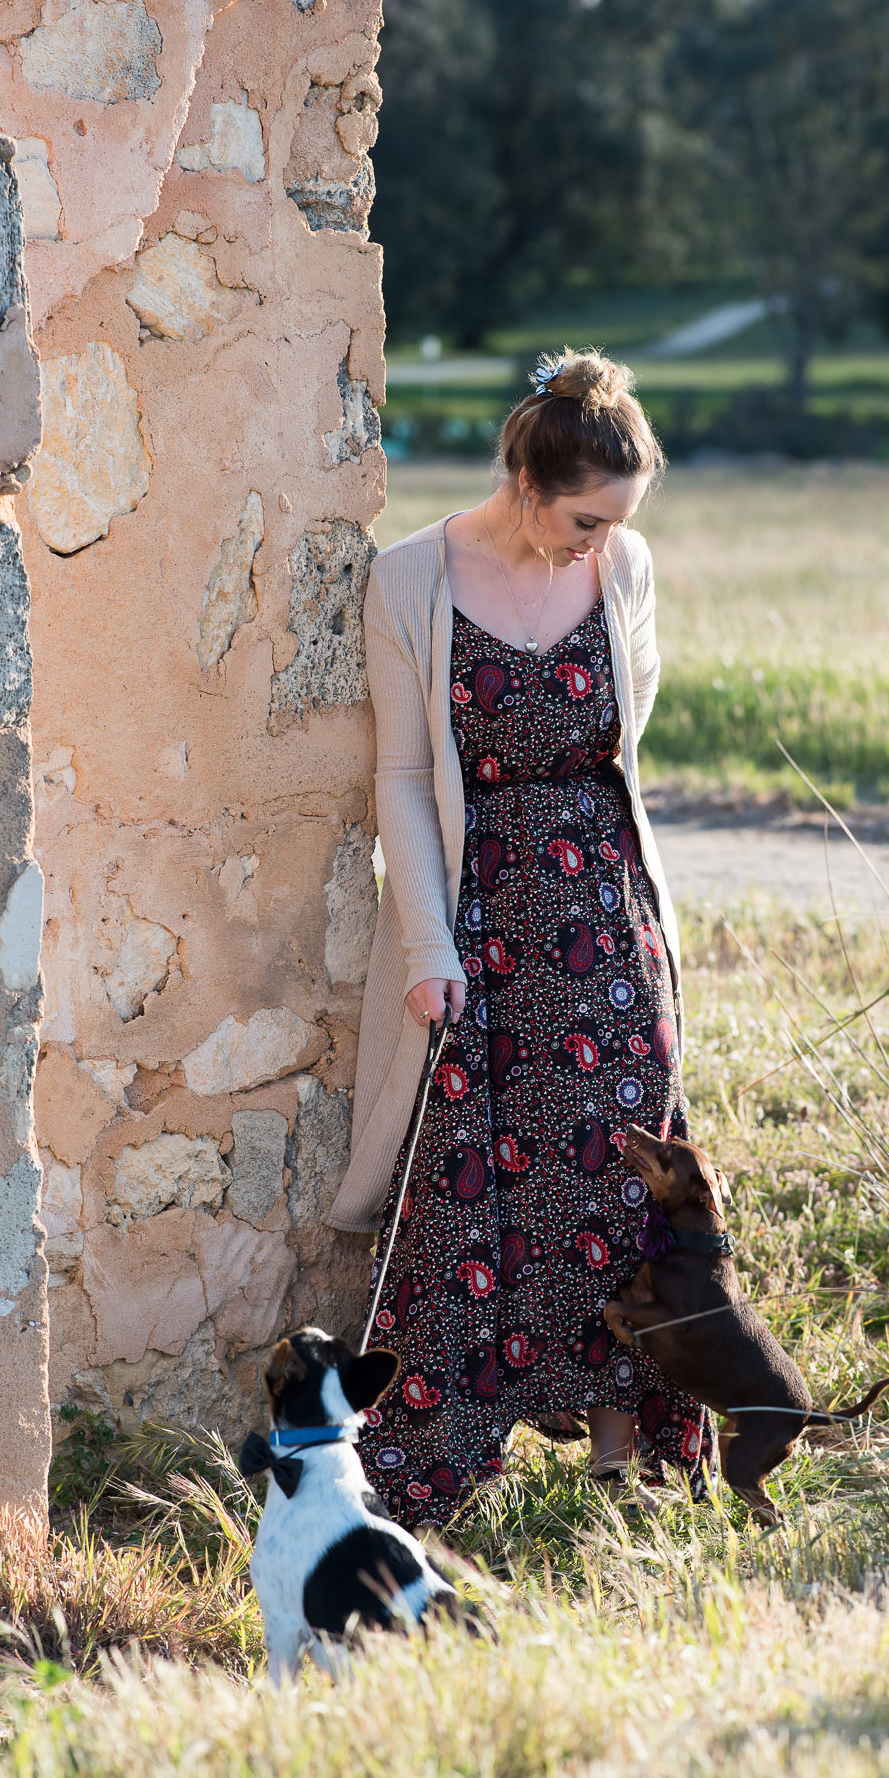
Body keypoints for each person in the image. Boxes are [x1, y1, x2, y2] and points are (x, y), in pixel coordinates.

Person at [328, 349, 714, 1525]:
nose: (597, 545)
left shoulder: (624, 567)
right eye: (583, 520)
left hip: (604, 918)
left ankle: (619, 1463)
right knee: (477, 1185)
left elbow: (621, 744)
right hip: (482, 917)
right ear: (526, 478)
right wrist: (430, 947)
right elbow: (400, 776)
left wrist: (629, 919)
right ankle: (447, 1460)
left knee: (619, 1177)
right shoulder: (410, 578)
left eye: (616, 524)